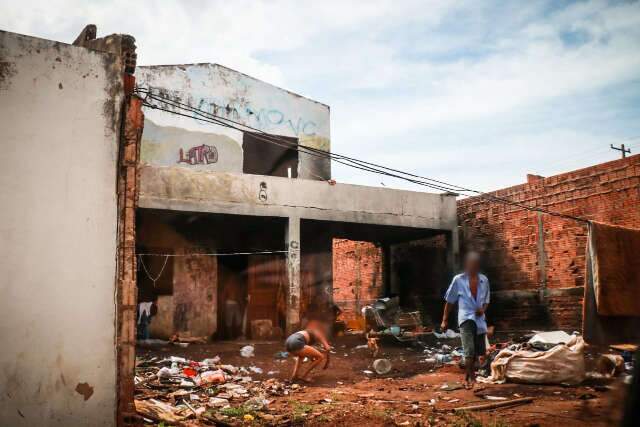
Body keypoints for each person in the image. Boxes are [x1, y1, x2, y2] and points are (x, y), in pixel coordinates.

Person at [440, 251, 490, 388]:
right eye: (470, 263)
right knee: (469, 349)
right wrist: (444, 320)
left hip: (479, 319)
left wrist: (483, 309)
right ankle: (473, 380)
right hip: (465, 317)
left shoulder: (484, 280)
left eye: (475, 264)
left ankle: (468, 375)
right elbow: (450, 301)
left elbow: (486, 300)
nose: (472, 266)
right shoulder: (458, 280)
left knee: (480, 351)